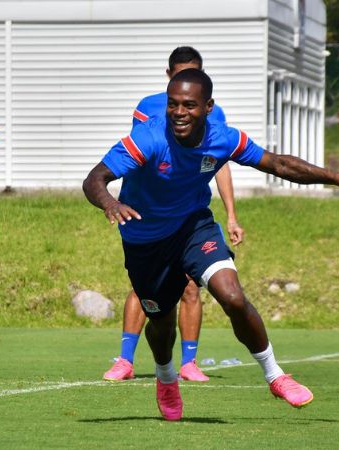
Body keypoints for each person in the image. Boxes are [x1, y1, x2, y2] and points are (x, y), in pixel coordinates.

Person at [83, 68, 339, 420]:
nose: (179, 112)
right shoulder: (148, 138)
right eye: (173, 104)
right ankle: (165, 378)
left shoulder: (223, 138)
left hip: (194, 228)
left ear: (208, 107)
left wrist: (337, 178)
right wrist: (110, 203)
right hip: (145, 239)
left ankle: (276, 376)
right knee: (160, 320)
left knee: (232, 295)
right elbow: (95, 178)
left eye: (189, 105)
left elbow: (278, 163)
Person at [104, 46, 244, 383]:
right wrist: (119, 203)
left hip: (189, 213)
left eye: (193, 73)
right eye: (180, 74)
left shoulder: (215, 114)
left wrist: (231, 214)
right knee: (144, 289)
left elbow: (218, 162)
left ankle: (189, 363)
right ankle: (125, 359)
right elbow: (139, 157)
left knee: (192, 287)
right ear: (169, 76)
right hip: (149, 219)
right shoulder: (148, 109)